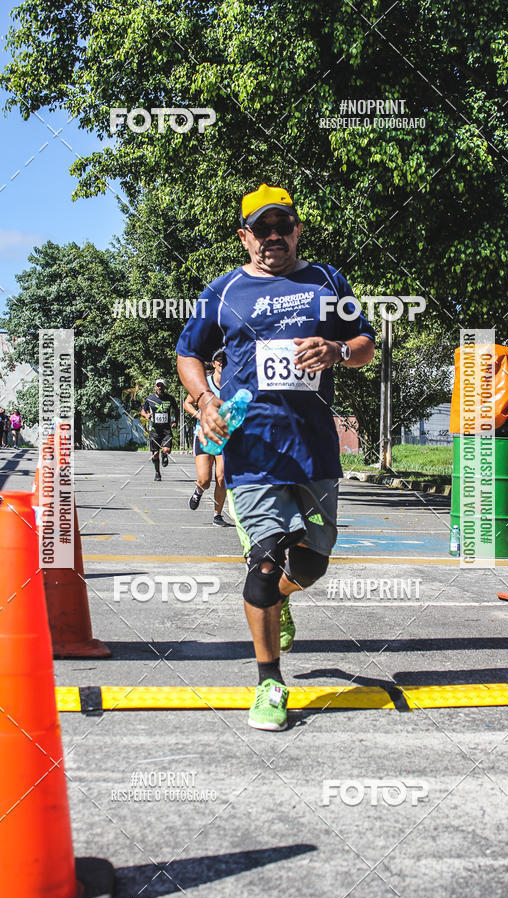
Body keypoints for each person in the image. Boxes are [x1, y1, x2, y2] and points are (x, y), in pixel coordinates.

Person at [176, 183, 375, 731]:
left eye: (280, 226)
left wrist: (337, 350)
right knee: (264, 563)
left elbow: (366, 343)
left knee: (311, 562)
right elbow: (187, 352)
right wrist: (203, 399)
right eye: (260, 229)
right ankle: (269, 682)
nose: (271, 238)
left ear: (297, 230)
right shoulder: (222, 291)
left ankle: (283, 597)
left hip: (313, 449)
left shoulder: (329, 281)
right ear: (245, 237)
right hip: (251, 449)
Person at [183, 349, 229, 527]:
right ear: (215, 363)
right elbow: (187, 403)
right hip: (202, 436)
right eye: (220, 361)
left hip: (222, 438)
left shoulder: (230, 385)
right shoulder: (205, 384)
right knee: (205, 479)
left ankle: (217, 515)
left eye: (226, 361)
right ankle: (198, 491)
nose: (223, 364)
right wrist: (199, 415)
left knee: (222, 477)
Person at [141, 379, 179, 481]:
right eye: (158, 386)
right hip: (154, 430)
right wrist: (146, 415)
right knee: (155, 454)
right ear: (155, 387)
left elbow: (176, 410)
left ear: (164, 387)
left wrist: (175, 421)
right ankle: (157, 473)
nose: (159, 388)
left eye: (161, 386)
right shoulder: (150, 399)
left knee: (166, 449)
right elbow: (143, 411)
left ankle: (164, 454)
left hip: (166, 430)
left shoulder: (170, 398)